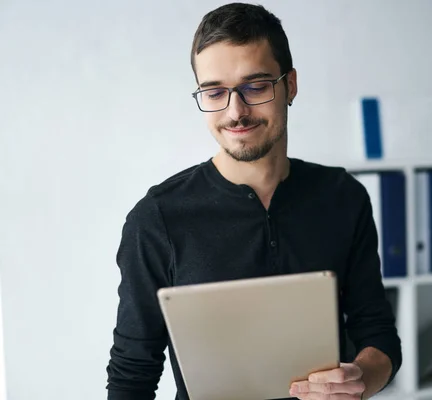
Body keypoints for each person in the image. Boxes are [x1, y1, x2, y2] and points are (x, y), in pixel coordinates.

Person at [105, 2, 402, 399]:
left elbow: (378, 333)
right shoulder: (156, 218)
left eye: (256, 86)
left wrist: (361, 377)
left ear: (290, 85)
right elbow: (132, 374)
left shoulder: (344, 196)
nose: (236, 111)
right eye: (214, 92)